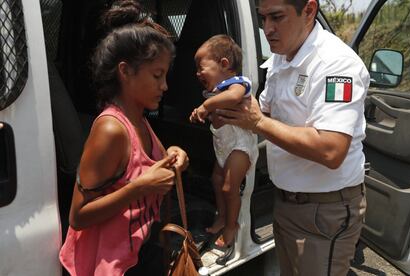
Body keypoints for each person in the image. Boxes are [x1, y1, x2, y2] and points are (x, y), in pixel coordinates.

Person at [216, 0, 369, 275]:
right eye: (262, 18)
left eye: (276, 17)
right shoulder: (281, 56)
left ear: (309, 11)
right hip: (287, 203)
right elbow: (264, 109)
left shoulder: (336, 65)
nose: (267, 29)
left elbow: (331, 150)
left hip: (324, 212)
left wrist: (259, 122)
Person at [59, 1, 189, 275]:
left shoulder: (139, 119)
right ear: (125, 71)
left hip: (140, 252)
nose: (165, 86)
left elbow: (153, 164)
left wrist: (175, 154)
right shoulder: (111, 129)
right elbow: (78, 215)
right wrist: (141, 188)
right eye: (157, 75)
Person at [189, 35, 258, 265]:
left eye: (202, 67)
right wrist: (201, 111)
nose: (198, 74)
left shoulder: (237, 83)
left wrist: (207, 106)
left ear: (225, 64)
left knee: (230, 186)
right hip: (223, 146)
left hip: (240, 146)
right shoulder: (213, 91)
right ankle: (221, 215)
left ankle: (231, 225)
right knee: (216, 181)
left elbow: (235, 97)